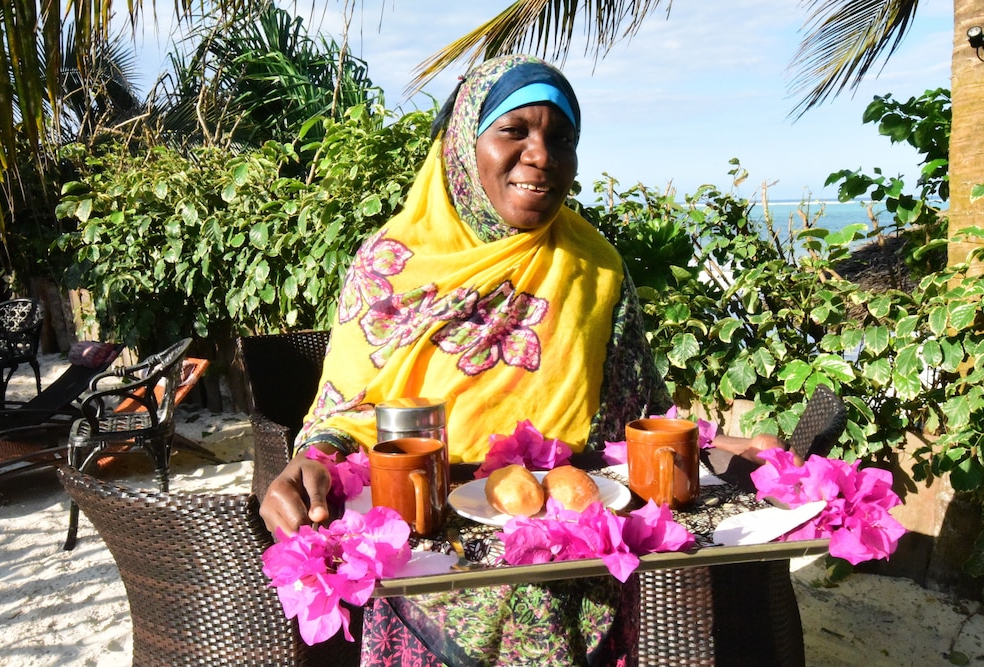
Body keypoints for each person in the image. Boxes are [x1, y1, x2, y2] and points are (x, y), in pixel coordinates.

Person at [260, 54, 790, 667]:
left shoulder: (594, 268)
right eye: (514, 130)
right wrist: (313, 460)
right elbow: (343, 410)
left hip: (575, 575)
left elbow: (636, 416)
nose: (542, 155)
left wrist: (714, 449)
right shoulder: (390, 264)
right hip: (428, 578)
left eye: (561, 138)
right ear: (464, 145)